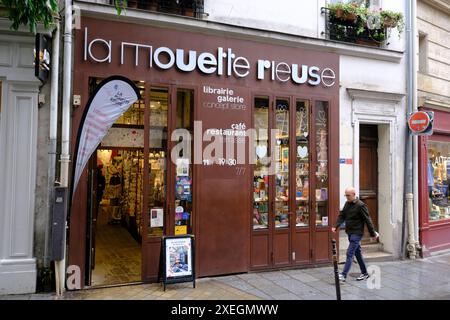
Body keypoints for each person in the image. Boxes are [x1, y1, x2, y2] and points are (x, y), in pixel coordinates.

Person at [332, 187, 379, 282]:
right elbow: (342, 216)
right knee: (357, 253)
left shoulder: (361, 205)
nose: (346, 197)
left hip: (357, 233)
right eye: (345, 195)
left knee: (349, 253)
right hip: (350, 232)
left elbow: (368, 220)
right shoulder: (347, 204)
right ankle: (365, 273)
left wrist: (372, 233)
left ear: (354, 194)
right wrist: (336, 226)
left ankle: (343, 275)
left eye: (348, 195)